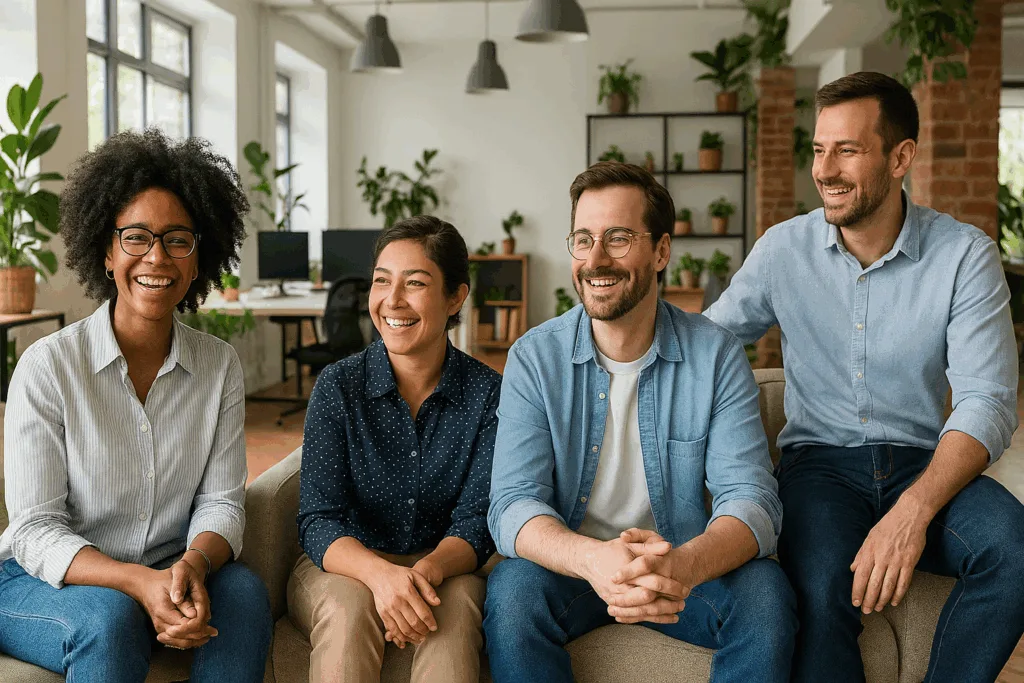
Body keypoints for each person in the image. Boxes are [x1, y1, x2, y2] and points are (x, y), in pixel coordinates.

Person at [704, 71, 1024, 682]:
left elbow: (987, 401)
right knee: (821, 588)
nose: (825, 169)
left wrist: (914, 510)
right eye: (820, 149)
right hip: (817, 469)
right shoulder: (782, 250)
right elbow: (706, 346)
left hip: (925, 464)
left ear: (901, 157)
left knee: (1017, 551)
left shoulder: (964, 255)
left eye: (847, 150)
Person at [484, 162, 797, 683]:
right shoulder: (534, 359)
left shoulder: (715, 355)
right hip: (576, 573)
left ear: (661, 252)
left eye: (618, 238)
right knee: (514, 594)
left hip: (684, 570)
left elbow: (752, 501)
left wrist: (682, 566)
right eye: (582, 240)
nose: (596, 259)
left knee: (765, 597)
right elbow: (513, 504)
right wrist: (593, 560)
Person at [0, 128, 272, 682]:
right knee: (112, 616)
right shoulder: (48, 366)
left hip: (170, 568)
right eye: (136, 237)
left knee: (242, 592)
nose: (157, 257)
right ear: (105, 249)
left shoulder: (218, 366)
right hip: (44, 579)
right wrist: (137, 582)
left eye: (178, 240)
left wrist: (191, 565)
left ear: (200, 260)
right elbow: (34, 530)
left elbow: (222, 503)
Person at [292, 215, 502, 683]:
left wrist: (422, 574)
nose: (393, 300)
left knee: (449, 621)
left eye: (415, 283)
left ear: (455, 297)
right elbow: (317, 518)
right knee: (348, 615)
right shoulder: (338, 385)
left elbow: (476, 522)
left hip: (443, 564)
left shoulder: (488, 394)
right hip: (345, 563)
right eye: (382, 282)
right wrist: (381, 577)